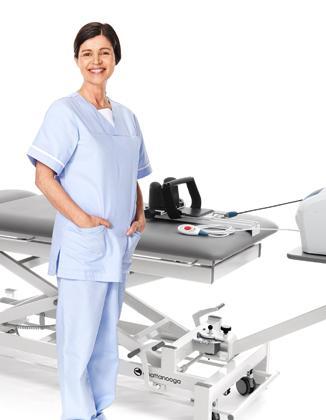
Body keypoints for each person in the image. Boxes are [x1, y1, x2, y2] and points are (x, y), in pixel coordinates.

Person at [26, 22, 152, 420]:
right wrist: (81, 219)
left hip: (117, 246)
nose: (96, 61)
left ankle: (97, 412)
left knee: (104, 343)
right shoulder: (65, 112)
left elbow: (131, 174)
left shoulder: (127, 117)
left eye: (104, 52)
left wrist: (140, 213)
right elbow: (43, 176)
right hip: (85, 247)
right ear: (77, 60)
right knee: (78, 344)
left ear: (116, 58)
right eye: (87, 53)